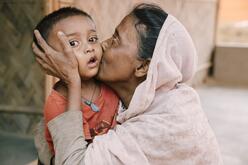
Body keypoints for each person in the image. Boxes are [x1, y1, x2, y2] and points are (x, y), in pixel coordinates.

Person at [33, 3, 223, 165]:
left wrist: (72, 80)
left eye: (115, 40)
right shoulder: (139, 96)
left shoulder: (163, 124)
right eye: (73, 43)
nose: (102, 45)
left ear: (143, 66)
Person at [33, 7, 119, 157]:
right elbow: (78, 157)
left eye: (92, 39)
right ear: (52, 59)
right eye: (73, 43)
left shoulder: (109, 79)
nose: (89, 48)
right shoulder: (57, 104)